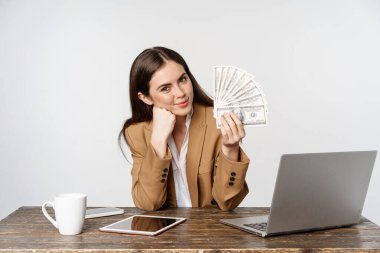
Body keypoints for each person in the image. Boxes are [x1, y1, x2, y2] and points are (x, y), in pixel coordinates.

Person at [119, 46, 250, 211]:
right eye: (165, 88)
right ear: (145, 97)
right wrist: (158, 140)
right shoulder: (137, 132)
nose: (181, 93)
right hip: (165, 233)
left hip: (209, 232)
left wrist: (230, 149)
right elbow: (148, 203)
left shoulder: (216, 121)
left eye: (182, 79)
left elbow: (227, 202)